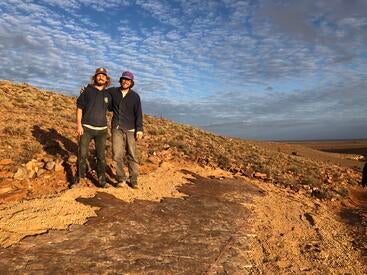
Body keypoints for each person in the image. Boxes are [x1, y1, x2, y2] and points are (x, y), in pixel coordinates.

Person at [75, 67, 112, 188]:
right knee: (82, 154)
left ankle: (102, 181)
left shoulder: (108, 94)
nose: (101, 77)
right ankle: (79, 179)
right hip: (86, 128)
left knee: (101, 156)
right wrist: (79, 125)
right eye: (98, 75)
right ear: (95, 77)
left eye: (103, 75)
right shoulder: (87, 91)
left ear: (106, 79)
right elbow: (79, 108)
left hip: (102, 130)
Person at [108, 71, 143, 188]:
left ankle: (133, 179)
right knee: (117, 154)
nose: (125, 81)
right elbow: (99, 91)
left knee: (132, 154)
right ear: (121, 80)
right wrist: (86, 90)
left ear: (131, 82)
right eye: (123, 79)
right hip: (117, 128)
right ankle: (121, 179)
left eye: (128, 80)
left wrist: (139, 129)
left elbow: (138, 114)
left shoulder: (135, 96)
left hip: (131, 129)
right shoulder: (113, 91)